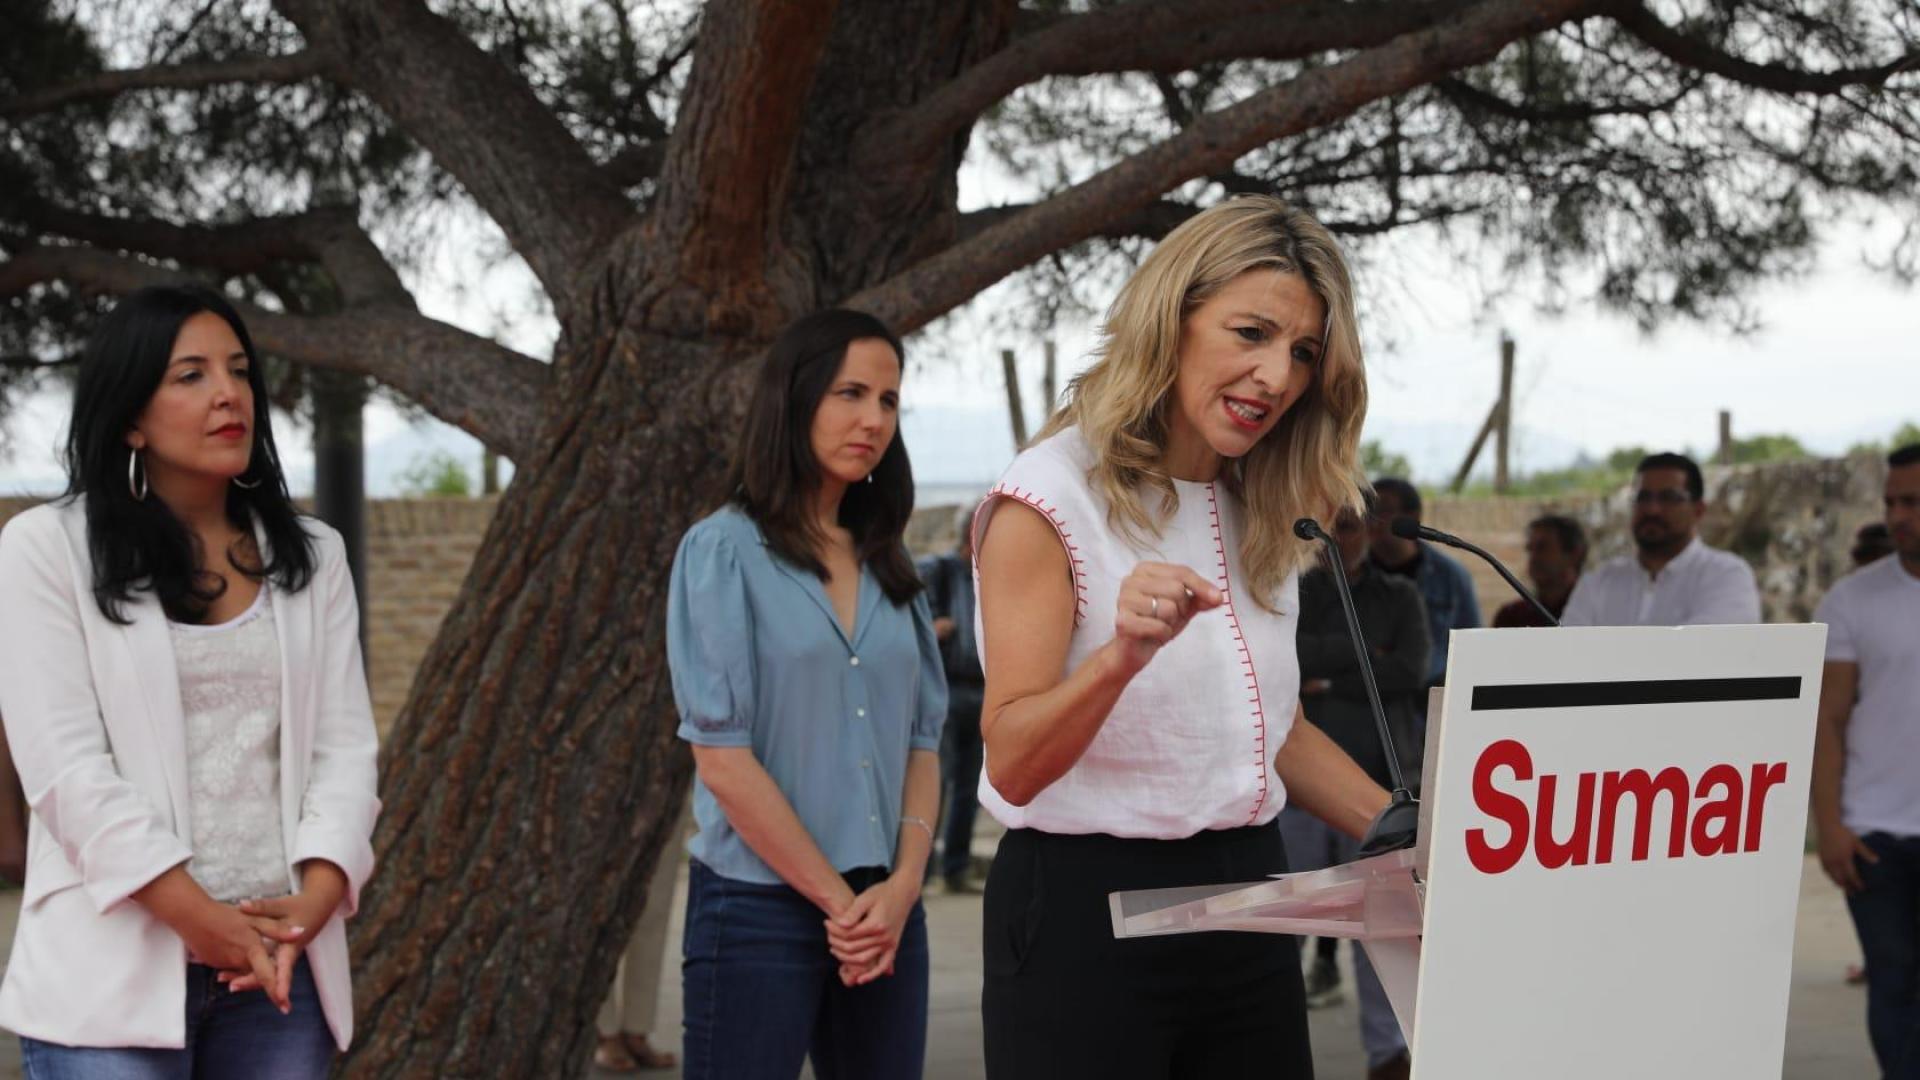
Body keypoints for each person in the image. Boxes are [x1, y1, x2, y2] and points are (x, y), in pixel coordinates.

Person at [973, 195, 1393, 1079]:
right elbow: (1011, 760)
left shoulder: (1271, 504)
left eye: (1304, 353)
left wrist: (1409, 836)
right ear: (1172, 320)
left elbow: (1269, 729)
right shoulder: (1048, 498)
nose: (1276, 376)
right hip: (1087, 909)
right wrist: (1121, 659)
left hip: (1252, 892)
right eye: (1251, 333)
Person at [0, 285, 381, 1074]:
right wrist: (198, 917)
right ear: (131, 416)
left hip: (276, 966)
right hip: (110, 965)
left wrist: (317, 895)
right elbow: (65, 771)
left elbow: (344, 751)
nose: (227, 394)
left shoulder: (313, 556)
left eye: (239, 371)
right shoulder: (45, 549)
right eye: (191, 376)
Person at [666, 309, 946, 1080]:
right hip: (758, 911)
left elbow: (923, 742)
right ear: (793, 400)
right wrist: (838, 903)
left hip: (888, 911)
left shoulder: (894, 568)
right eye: (850, 392)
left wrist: (901, 890)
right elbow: (722, 759)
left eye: (889, 400)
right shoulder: (722, 551)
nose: (873, 419)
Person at [1285, 503, 1430, 1079]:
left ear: (1369, 529)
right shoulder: (1289, 589)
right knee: (1278, 936)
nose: (1337, 537)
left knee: (1386, 940)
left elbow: (1409, 671)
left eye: (1348, 525)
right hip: (1295, 793)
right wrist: (1366, 656)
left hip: (1381, 795)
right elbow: (1284, 665)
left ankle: (1390, 1059)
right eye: (1330, 524)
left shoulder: (1400, 597)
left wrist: (1326, 673)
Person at [1812, 442, 1920, 1079]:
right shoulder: (1851, 601)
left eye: (1913, 502)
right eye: (1892, 502)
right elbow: (1827, 719)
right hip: (1876, 836)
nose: (1898, 515)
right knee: (1896, 988)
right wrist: (1830, 824)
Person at [1560, 452, 1761, 627]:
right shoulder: (1599, 582)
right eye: (1643, 497)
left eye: (1669, 498)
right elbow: (1568, 654)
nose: (1652, 509)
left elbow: (1705, 654)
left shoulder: (1726, 575)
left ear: (1698, 510)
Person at [592, 803, 692, 1073]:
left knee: (655, 903)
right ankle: (604, 1030)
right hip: (597, 777)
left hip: (669, 771)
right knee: (598, 907)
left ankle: (638, 1029)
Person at [918, 509, 985, 893]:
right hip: (942, 688)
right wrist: (934, 629)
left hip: (981, 689)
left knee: (970, 786)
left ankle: (956, 870)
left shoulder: (992, 574)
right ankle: (922, 872)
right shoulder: (935, 570)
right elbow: (909, 624)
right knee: (934, 782)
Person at [1367, 477, 1480, 687]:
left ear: (1412, 517)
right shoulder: (1353, 574)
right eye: (1368, 510)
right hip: (1368, 696)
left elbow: (1473, 646)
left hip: (1432, 696)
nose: (1373, 520)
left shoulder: (1450, 575)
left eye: (1383, 510)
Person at [1492, 514, 1586, 628]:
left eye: (1542, 547)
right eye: (1530, 549)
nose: (1533, 557)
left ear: (1574, 554)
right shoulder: (1511, 616)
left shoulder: (1596, 609)